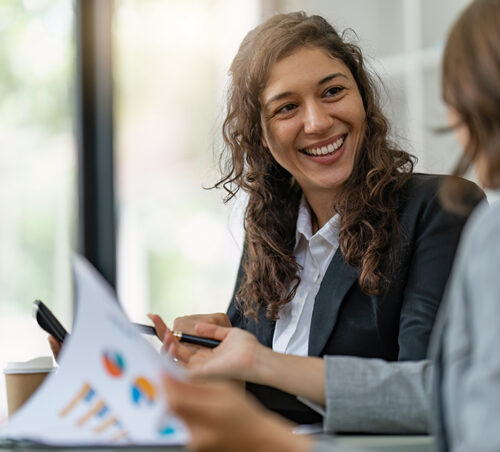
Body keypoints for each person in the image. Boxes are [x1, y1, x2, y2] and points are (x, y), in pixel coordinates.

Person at [162, 0, 500, 451]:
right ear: (260, 135)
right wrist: (203, 359)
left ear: (363, 98)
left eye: (332, 92)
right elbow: (248, 399)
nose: (318, 122)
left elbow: (432, 391)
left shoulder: (438, 209)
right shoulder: (268, 230)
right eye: (286, 108)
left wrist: (258, 361)